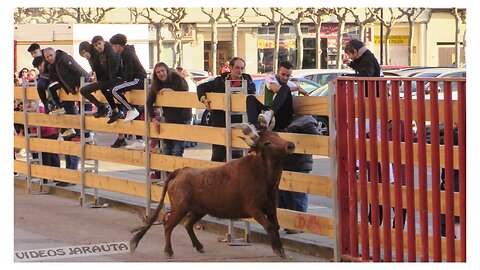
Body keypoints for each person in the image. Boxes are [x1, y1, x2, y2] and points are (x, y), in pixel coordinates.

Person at [197, 57, 256, 162]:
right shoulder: (219, 81)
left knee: (238, 156)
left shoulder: (249, 82)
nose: (240, 71)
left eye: (242, 68)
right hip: (220, 121)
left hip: (239, 122)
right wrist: (204, 99)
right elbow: (201, 87)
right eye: (237, 68)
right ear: (231, 68)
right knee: (218, 155)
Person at [241, 60, 308, 141]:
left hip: (283, 117)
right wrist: (297, 88)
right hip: (267, 115)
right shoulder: (271, 78)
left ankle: (269, 114)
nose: (285, 78)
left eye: (288, 75)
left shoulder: (291, 85)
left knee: (285, 88)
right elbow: (276, 89)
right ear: (277, 72)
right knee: (250, 98)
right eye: (283, 74)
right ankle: (253, 127)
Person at [278, 115, 318, 234]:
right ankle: (290, 222)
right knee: (286, 195)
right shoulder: (285, 119)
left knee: (298, 196)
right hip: (286, 163)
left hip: (299, 163)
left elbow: (313, 140)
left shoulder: (307, 121)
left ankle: (300, 224)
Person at [147, 62, 191, 156]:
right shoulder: (157, 84)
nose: (161, 73)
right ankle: (167, 171)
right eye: (158, 72)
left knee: (178, 150)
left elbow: (185, 93)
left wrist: (172, 92)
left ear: (167, 70)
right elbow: (149, 102)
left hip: (182, 118)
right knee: (166, 150)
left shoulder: (177, 78)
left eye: (162, 70)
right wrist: (153, 118)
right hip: (169, 119)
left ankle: (176, 171)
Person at [107, 33, 146, 124]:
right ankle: (131, 110)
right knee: (114, 89)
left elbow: (129, 72)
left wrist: (124, 83)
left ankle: (131, 109)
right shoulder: (124, 53)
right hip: (134, 79)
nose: (113, 48)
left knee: (114, 90)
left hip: (137, 80)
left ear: (118, 45)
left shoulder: (127, 54)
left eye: (113, 46)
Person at [79, 36, 121, 118]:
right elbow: (96, 70)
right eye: (82, 53)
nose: (85, 54)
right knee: (83, 90)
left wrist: (104, 80)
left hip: (109, 80)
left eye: (85, 52)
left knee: (103, 88)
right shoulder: (93, 56)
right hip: (102, 80)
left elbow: (107, 69)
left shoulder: (101, 53)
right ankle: (101, 106)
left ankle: (113, 110)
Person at [27, 43, 52, 114]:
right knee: (40, 85)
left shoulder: (47, 54)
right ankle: (45, 105)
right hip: (44, 77)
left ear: (40, 50)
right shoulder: (36, 60)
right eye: (32, 53)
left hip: (53, 76)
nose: (33, 55)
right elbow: (40, 71)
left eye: (35, 52)